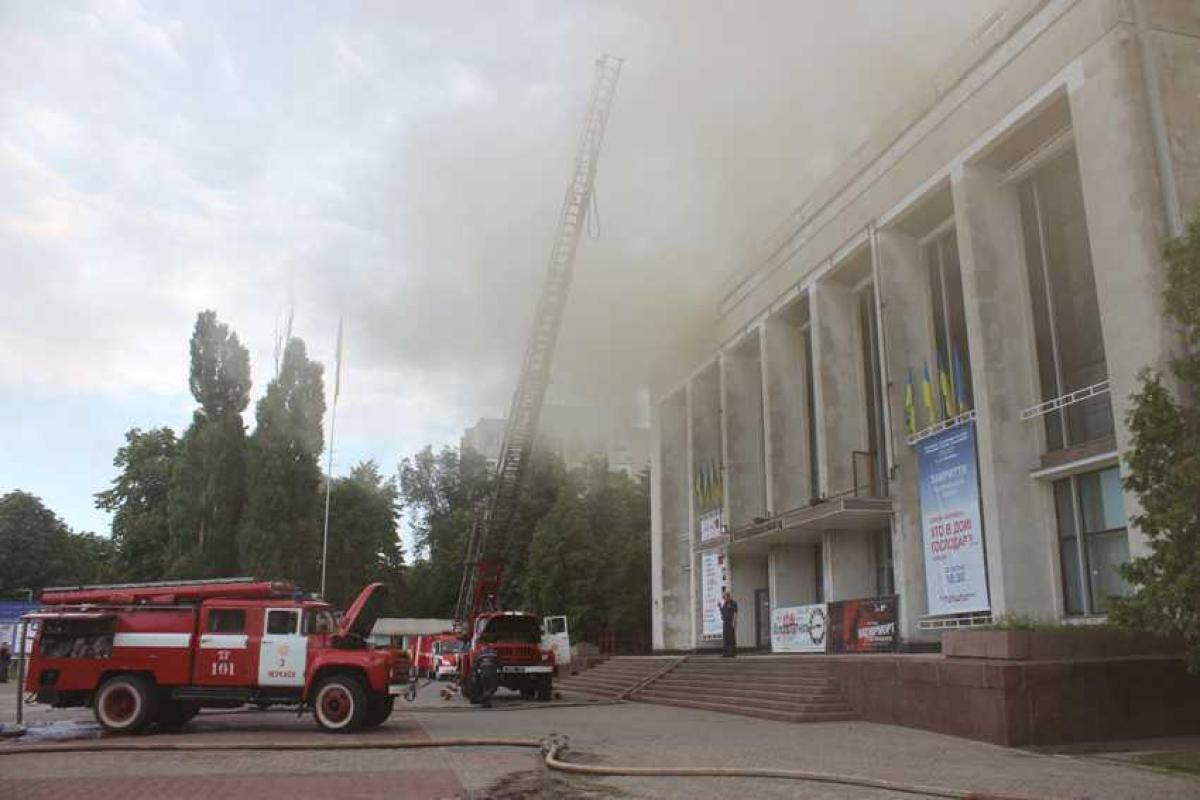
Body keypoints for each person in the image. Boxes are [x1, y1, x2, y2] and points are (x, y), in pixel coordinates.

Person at [719, 588, 738, 658]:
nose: (724, 599)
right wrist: (720, 608)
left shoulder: (733, 603)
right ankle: (725, 653)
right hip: (725, 622)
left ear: (728, 596)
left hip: (731, 622)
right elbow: (723, 613)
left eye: (725, 597)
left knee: (731, 638)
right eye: (724, 597)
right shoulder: (725, 603)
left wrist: (734, 622)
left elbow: (735, 613)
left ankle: (732, 653)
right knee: (725, 637)